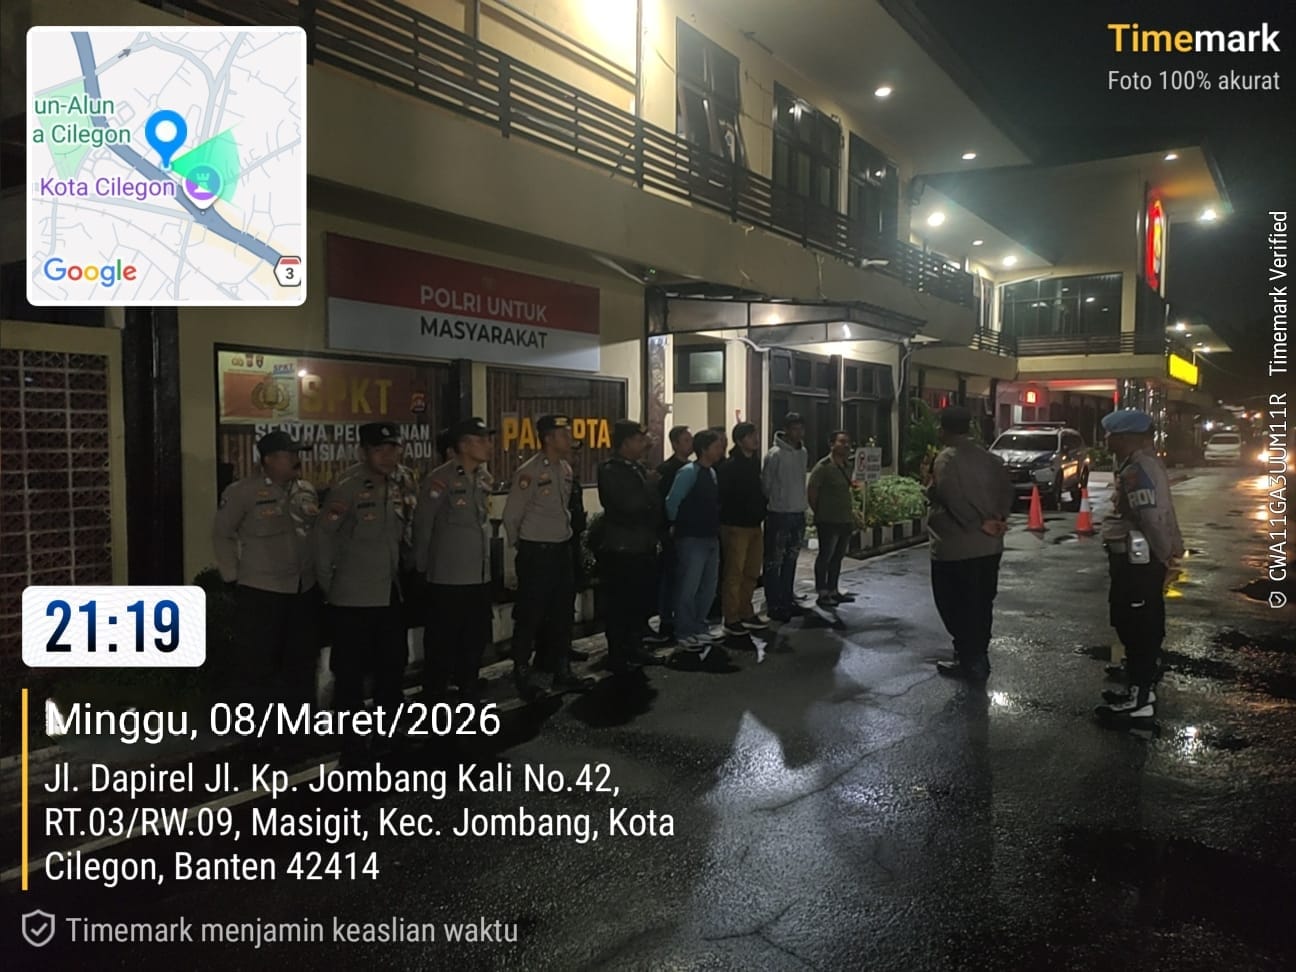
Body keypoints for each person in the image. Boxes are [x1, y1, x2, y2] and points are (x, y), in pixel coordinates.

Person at [212, 430, 320, 709]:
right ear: (269, 459)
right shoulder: (243, 492)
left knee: (302, 662)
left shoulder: (305, 490)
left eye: (297, 453)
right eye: (290, 454)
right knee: (259, 666)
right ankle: (261, 726)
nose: (296, 459)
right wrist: (231, 577)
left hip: (302, 589)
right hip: (262, 592)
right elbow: (222, 534)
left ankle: (299, 723)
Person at [315, 422, 412, 732]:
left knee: (392, 666)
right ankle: (352, 739)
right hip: (352, 597)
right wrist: (329, 586)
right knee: (350, 674)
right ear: (363, 452)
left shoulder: (400, 483)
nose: (387, 456)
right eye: (379, 450)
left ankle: (389, 732)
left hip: (388, 592)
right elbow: (323, 537)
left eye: (393, 449)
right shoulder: (348, 488)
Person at [1095, 409, 1184, 725]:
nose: (1106, 440)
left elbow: (1152, 518)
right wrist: (1173, 550)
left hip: (1138, 564)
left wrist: (1165, 555)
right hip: (1139, 561)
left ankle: (1141, 700)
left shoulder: (1138, 469)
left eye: (1110, 435)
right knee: (1135, 623)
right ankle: (1139, 690)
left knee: (1137, 626)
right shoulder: (1138, 463)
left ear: (1126, 437)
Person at [503, 414, 595, 698]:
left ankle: (562, 671)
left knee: (562, 613)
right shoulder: (529, 472)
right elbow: (511, 516)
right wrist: (521, 547)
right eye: (564, 434)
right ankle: (522, 673)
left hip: (561, 549)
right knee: (531, 615)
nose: (569, 439)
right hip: (537, 552)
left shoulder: (564, 468)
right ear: (548, 438)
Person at [924, 406, 1014, 682]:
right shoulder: (990, 459)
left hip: (956, 547)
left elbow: (950, 496)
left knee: (954, 604)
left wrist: (977, 523)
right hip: (990, 547)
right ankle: (978, 656)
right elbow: (1007, 491)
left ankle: (969, 659)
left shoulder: (946, 459)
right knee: (982, 603)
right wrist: (998, 518)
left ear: (944, 429)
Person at [414, 418, 495, 703]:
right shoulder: (441, 479)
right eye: (481, 440)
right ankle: (434, 693)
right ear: (464, 445)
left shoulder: (483, 477)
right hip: (448, 575)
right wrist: (421, 567)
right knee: (443, 638)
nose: (488, 445)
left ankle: (468, 685)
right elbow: (423, 524)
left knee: (474, 636)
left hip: (478, 573)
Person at [596, 420, 663, 673]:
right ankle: (618, 653)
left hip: (642, 544)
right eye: (638, 439)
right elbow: (628, 504)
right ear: (625, 443)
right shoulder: (611, 470)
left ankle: (635, 646)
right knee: (620, 604)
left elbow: (654, 506)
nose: (643, 444)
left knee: (638, 601)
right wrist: (649, 485)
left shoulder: (638, 468)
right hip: (622, 546)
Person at [664, 428, 728, 664]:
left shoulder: (711, 472)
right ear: (704, 449)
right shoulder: (688, 472)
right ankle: (684, 630)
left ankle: (699, 625)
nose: (720, 450)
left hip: (710, 536)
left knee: (708, 586)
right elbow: (672, 502)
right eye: (716, 446)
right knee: (688, 586)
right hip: (691, 537)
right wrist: (676, 524)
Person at [716, 421, 768, 637]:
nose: (755, 439)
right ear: (739, 441)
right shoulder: (729, 467)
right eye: (750, 435)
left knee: (752, 572)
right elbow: (722, 497)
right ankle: (731, 617)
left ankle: (746, 610)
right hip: (735, 525)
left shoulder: (754, 463)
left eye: (755, 434)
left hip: (754, 524)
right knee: (734, 573)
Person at [762, 413, 810, 622]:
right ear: (787, 430)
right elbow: (766, 484)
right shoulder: (775, 454)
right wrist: (777, 500)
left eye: (801, 428)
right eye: (795, 428)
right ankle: (774, 603)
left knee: (791, 559)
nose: (799, 433)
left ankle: (787, 598)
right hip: (779, 513)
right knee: (774, 561)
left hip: (798, 512)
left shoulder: (803, 452)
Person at [649, 425, 693, 644]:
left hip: (690, 530)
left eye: (691, 440)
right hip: (671, 531)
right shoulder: (666, 470)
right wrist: (667, 526)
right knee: (670, 576)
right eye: (686, 440)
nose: (690, 444)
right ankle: (667, 620)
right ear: (675, 443)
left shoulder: (694, 468)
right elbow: (662, 502)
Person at [808, 430, 857, 610]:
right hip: (828, 520)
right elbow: (812, 492)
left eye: (848, 442)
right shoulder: (823, 467)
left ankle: (833, 589)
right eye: (841, 442)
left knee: (838, 556)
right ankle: (822, 592)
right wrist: (820, 512)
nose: (846, 445)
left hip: (844, 518)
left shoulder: (847, 466)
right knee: (825, 556)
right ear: (831, 444)